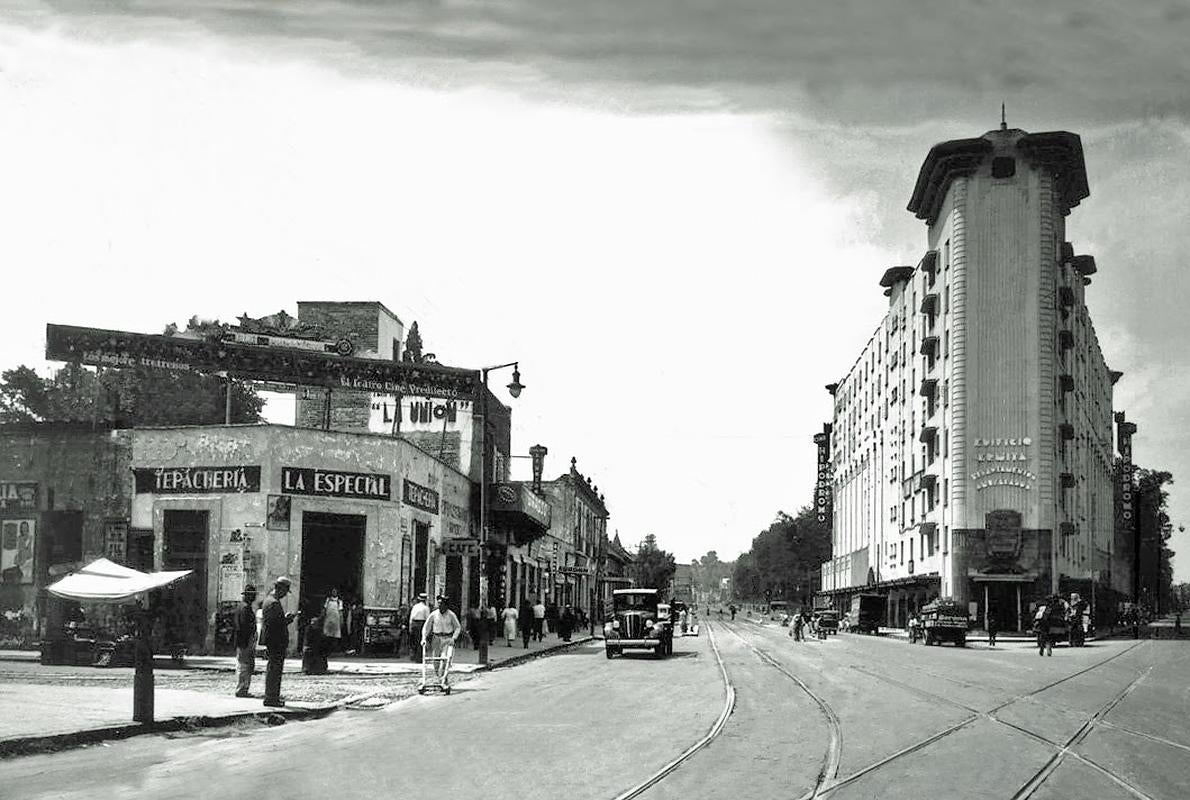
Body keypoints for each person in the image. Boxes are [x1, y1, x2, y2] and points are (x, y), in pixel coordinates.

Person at [260, 576, 297, 707]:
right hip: (276, 642)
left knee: (273, 669)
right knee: (275, 670)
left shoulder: (269, 601)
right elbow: (276, 625)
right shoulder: (273, 603)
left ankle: (272, 696)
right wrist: (287, 620)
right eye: (285, 592)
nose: (285, 595)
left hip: (273, 641)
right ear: (280, 589)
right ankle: (271, 698)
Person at [422, 596, 461, 681]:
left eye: (442, 604)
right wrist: (424, 638)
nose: (440, 606)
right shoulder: (434, 614)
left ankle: (444, 678)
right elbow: (426, 627)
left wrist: (453, 638)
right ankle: (439, 677)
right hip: (436, 639)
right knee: (435, 660)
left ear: (446, 605)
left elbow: (458, 627)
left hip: (447, 639)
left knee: (444, 659)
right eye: (439, 604)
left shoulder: (451, 615)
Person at [233, 584, 258, 697]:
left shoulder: (241, 607)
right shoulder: (245, 608)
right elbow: (244, 627)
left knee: (243, 665)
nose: (254, 598)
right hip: (245, 641)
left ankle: (242, 688)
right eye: (252, 595)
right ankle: (242, 689)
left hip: (243, 640)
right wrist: (249, 641)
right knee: (244, 666)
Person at [408, 593, 430, 662]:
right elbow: (428, 619)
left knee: (414, 640)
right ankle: (419, 658)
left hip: (414, 624)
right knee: (421, 640)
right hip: (421, 624)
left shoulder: (415, 607)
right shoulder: (426, 608)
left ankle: (413, 656)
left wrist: (410, 626)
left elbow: (411, 618)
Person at [322, 588, 343, 657]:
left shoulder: (339, 601)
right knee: (327, 635)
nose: (334, 592)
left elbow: (340, 611)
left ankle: (333, 650)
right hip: (328, 620)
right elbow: (324, 609)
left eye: (335, 591)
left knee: (335, 636)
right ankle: (326, 650)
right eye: (333, 591)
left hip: (336, 620)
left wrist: (341, 620)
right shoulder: (328, 600)